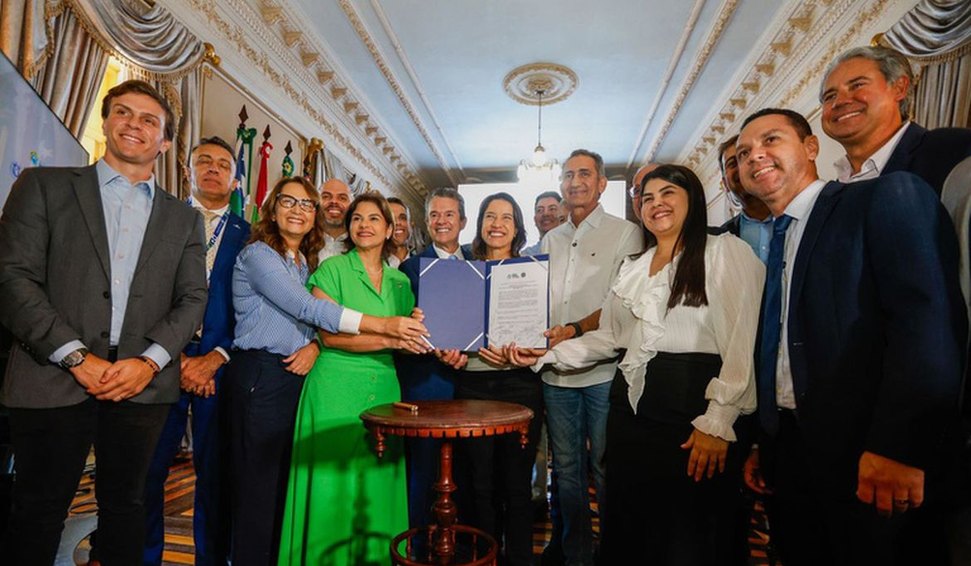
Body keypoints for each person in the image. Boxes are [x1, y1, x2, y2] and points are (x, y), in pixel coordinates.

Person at [737, 108, 966, 565]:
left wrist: (899, 447)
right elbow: (779, 347)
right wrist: (767, 441)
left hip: (872, 457)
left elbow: (926, 325)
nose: (754, 155)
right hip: (792, 457)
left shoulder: (882, 197)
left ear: (811, 147)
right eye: (743, 153)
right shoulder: (773, 241)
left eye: (770, 140)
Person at [0, 79, 208, 565]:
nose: (134, 124)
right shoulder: (44, 186)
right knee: (37, 512)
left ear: (165, 142)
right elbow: (12, 279)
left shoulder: (184, 219)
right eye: (123, 112)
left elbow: (193, 298)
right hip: (51, 377)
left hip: (141, 387)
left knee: (127, 508)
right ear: (107, 120)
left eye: (149, 120)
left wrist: (149, 363)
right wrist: (76, 357)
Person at [509, 164, 762, 564]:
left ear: (693, 200)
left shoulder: (724, 251)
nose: (656, 204)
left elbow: (742, 343)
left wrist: (718, 420)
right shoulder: (634, 267)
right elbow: (610, 337)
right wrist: (545, 354)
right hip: (631, 412)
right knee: (634, 523)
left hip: (694, 411)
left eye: (668, 194)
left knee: (691, 530)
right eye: (647, 198)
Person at [225, 177, 426, 565]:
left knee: (286, 484)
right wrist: (388, 329)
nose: (298, 211)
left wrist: (317, 345)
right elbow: (312, 312)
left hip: (307, 377)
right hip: (265, 375)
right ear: (272, 210)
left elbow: (314, 331)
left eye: (306, 205)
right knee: (260, 489)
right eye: (289, 202)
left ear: (390, 229)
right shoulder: (261, 255)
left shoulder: (305, 262)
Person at [142, 136, 249, 566]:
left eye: (223, 164)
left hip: (220, 367)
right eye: (204, 161)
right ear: (188, 171)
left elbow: (252, 308)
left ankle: (212, 558)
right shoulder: (159, 219)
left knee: (216, 476)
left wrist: (215, 356)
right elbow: (141, 293)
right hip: (157, 361)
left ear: (236, 180)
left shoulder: (250, 237)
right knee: (147, 472)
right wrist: (173, 356)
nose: (213, 168)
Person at [539, 149, 644, 565]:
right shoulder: (550, 239)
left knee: (605, 467)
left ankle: (614, 553)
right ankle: (576, 554)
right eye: (568, 175)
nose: (574, 182)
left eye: (584, 174)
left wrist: (573, 329)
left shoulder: (626, 233)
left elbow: (621, 302)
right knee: (566, 470)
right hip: (555, 375)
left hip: (604, 372)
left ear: (602, 183)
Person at [456, 192, 544, 566]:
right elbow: (449, 329)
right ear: (479, 225)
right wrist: (450, 350)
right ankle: (483, 558)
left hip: (520, 385)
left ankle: (520, 559)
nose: (497, 224)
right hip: (472, 385)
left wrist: (520, 351)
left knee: (517, 483)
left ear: (517, 228)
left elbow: (543, 333)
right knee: (479, 482)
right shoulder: (462, 274)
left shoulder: (533, 273)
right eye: (490, 216)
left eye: (506, 217)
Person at [396, 187, 473, 530]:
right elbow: (401, 327)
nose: (442, 221)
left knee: (468, 469)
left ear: (463, 221)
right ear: (426, 222)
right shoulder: (409, 268)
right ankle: (418, 543)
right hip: (426, 381)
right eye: (434, 215)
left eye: (449, 214)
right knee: (424, 468)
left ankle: (461, 542)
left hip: (473, 381)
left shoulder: (480, 265)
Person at [819, 45, 971, 193]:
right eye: (830, 96)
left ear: (899, 88)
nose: (839, 102)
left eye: (857, 85)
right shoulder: (828, 195)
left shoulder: (956, 148)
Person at [715, 135, 772, 263]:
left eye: (745, 156)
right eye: (732, 163)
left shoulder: (804, 217)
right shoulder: (718, 240)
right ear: (725, 184)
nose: (742, 168)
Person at [317, 178, 352, 262]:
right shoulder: (304, 240)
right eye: (326, 197)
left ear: (351, 206)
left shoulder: (359, 244)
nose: (334, 201)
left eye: (342, 198)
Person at [523, 190, 564, 255]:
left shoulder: (575, 249)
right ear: (535, 219)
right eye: (540, 210)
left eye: (552, 209)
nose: (545, 214)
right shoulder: (526, 256)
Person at [387, 196, 413, 268]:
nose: (398, 223)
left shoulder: (426, 265)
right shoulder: (370, 266)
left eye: (403, 218)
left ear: (411, 224)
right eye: (391, 218)